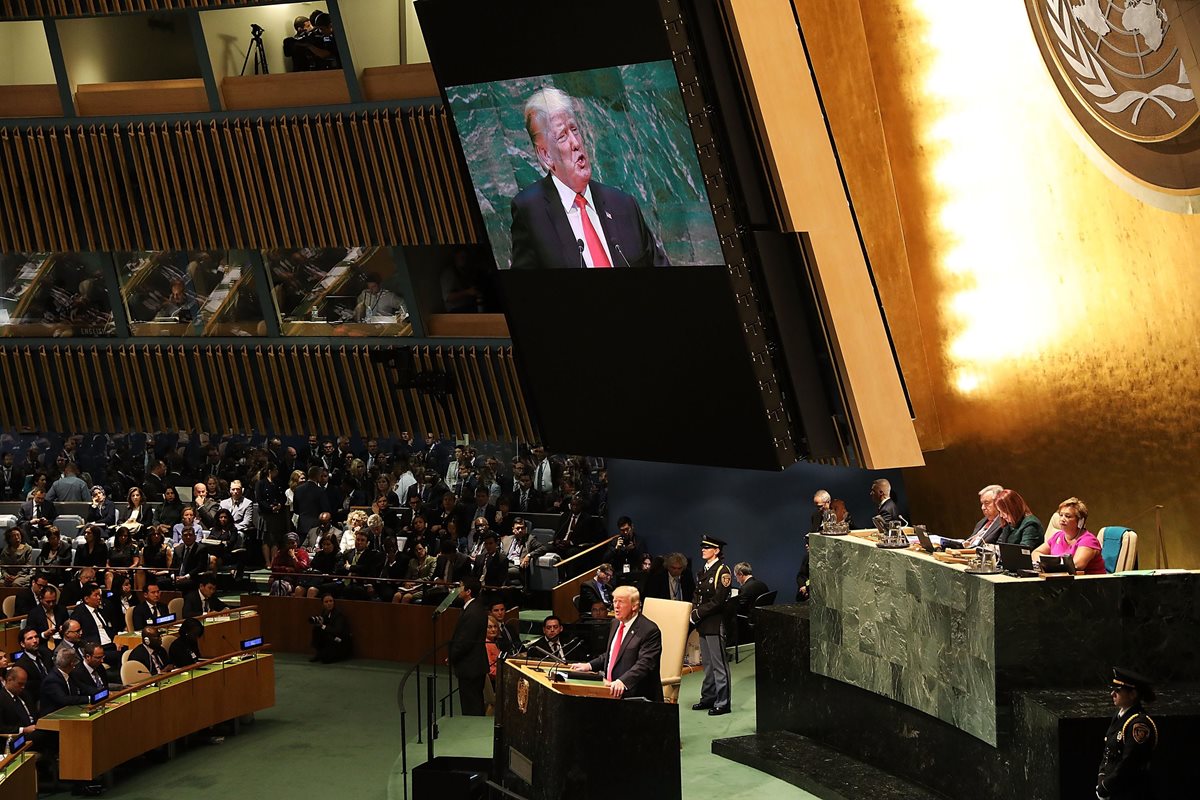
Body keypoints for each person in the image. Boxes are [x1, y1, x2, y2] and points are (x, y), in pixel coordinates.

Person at [510, 87, 669, 270]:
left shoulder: (623, 205)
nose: (576, 143)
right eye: (562, 136)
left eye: (574, 130)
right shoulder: (530, 212)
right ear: (546, 155)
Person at [570, 584, 662, 700]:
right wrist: (589, 665)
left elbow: (645, 664)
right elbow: (612, 654)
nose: (616, 606)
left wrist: (622, 682)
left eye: (621, 602)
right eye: (614, 601)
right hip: (609, 690)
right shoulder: (615, 623)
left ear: (634, 606)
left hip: (635, 696)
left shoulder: (649, 630)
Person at [1097, 667, 1158, 799]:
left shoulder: (1139, 724)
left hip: (1131, 793)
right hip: (1115, 791)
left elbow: (1129, 764)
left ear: (1133, 694)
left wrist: (1106, 786)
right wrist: (1102, 779)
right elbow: (1108, 752)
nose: (1112, 694)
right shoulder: (1120, 716)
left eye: (1117, 691)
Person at [691, 535, 732, 715]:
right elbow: (697, 595)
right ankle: (708, 698)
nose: (703, 549)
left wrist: (698, 612)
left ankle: (723, 703)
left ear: (716, 551)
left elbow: (719, 600)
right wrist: (694, 611)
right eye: (702, 547)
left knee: (719, 664)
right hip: (703, 623)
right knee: (707, 664)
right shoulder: (704, 570)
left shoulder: (722, 571)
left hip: (715, 622)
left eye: (707, 547)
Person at [1032, 497, 1106, 574]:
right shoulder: (1057, 536)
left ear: (1080, 521)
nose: (1062, 519)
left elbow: (1077, 565)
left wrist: (1050, 564)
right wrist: (1045, 563)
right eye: (1061, 515)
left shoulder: (1088, 540)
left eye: (1068, 516)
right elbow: (1036, 552)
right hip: (1062, 581)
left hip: (1089, 583)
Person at [448, 577, 488, 715]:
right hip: (474, 664)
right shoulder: (475, 607)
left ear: (468, 591)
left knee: (472, 704)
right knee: (473, 701)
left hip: (470, 665)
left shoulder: (472, 612)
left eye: (460, 586)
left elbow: (465, 641)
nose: (458, 590)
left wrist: (452, 656)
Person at [942, 484, 1006, 549]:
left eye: (986, 503)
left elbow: (999, 549)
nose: (983, 507)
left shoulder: (1004, 523)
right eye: (982, 504)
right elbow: (970, 542)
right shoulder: (982, 522)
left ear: (998, 503)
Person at [310, 593, 352, 663]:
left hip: (340, 641)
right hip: (330, 638)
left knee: (326, 660)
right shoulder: (324, 612)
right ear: (323, 604)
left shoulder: (339, 614)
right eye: (326, 602)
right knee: (316, 629)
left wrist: (322, 626)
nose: (329, 603)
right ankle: (319, 653)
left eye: (331, 601)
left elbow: (337, 631)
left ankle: (327, 655)